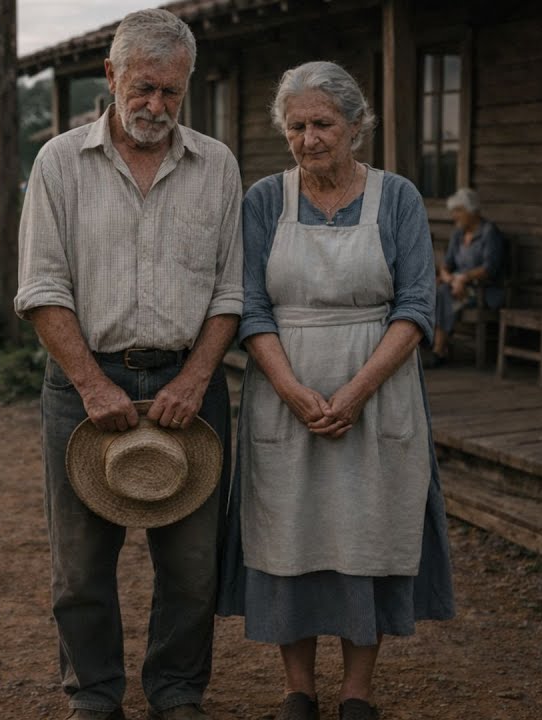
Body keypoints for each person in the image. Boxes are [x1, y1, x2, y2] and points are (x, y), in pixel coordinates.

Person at [14, 9, 243, 720]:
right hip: (84, 383)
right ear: (111, 76)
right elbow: (41, 287)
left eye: (172, 92)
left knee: (194, 565)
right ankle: (95, 695)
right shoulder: (58, 162)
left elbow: (232, 291)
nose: (156, 106)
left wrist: (196, 377)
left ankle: (177, 693)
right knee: (81, 565)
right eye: (144, 88)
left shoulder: (218, 166)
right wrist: (90, 382)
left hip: (189, 383)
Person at [220, 61, 454, 720]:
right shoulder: (265, 200)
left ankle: (358, 691)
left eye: (322, 123)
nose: (308, 138)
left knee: (366, 533)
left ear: (356, 125)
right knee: (286, 531)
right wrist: (292, 389)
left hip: (376, 392)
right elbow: (252, 307)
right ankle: (297, 687)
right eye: (295, 126)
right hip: (284, 393)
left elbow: (415, 307)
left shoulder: (398, 197)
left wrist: (354, 393)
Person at [425, 187, 505, 368]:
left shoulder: (489, 232)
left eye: (458, 211)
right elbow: (446, 265)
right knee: (434, 290)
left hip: (485, 290)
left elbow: (489, 269)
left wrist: (462, 279)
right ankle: (434, 346)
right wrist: (450, 278)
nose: (454, 216)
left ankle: (438, 349)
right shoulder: (458, 234)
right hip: (458, 287)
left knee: (443, 293)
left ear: (472, 211)